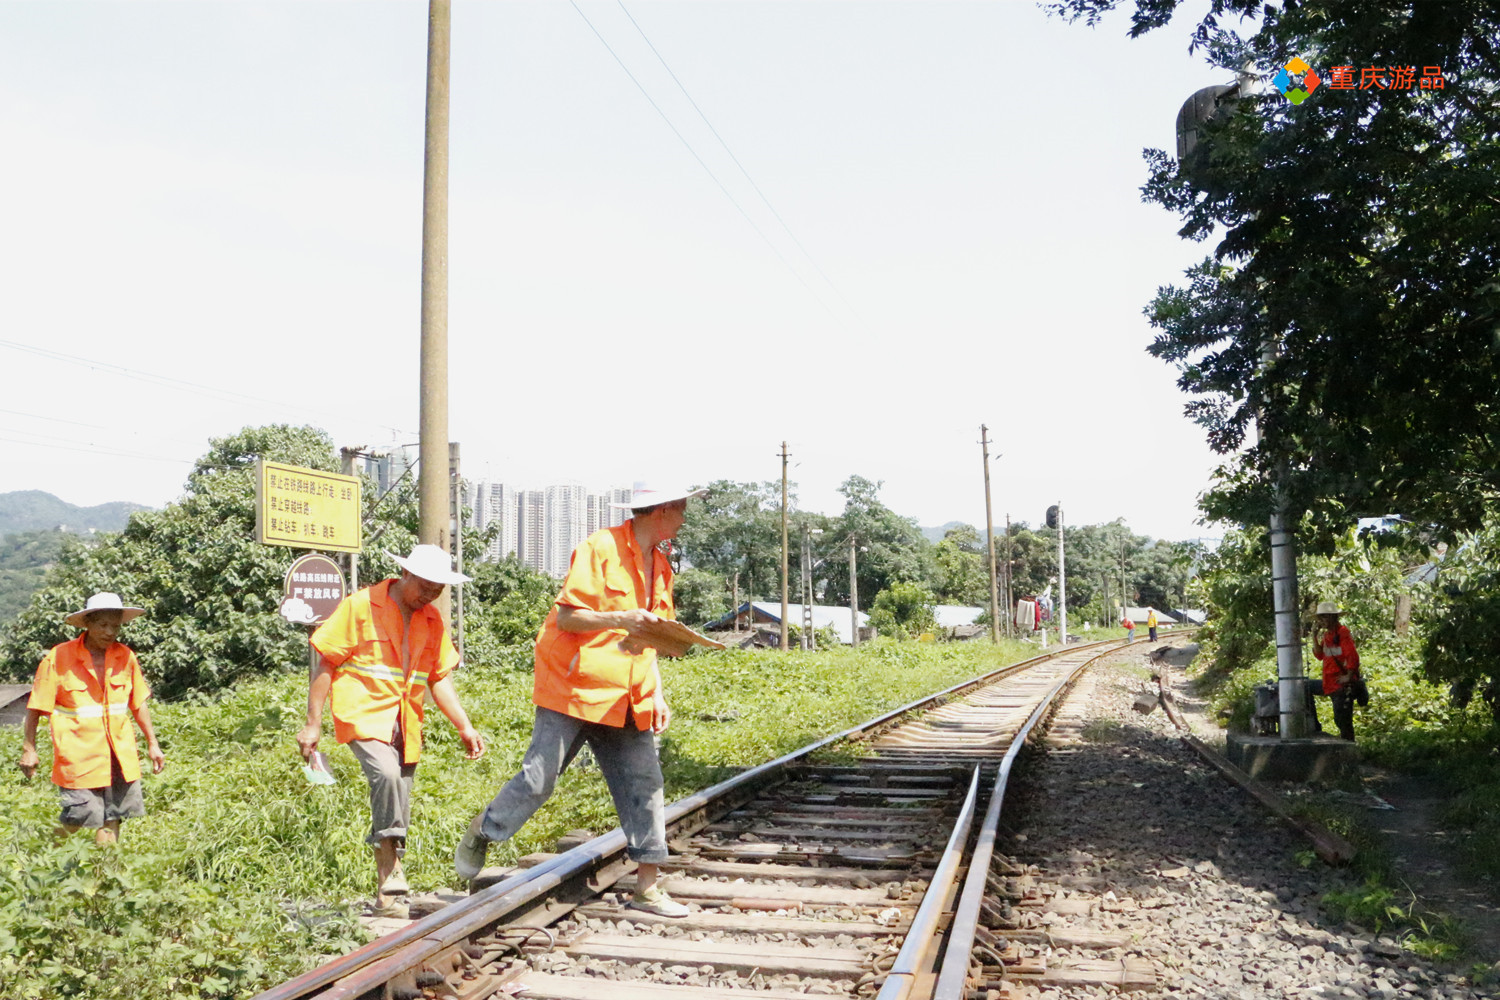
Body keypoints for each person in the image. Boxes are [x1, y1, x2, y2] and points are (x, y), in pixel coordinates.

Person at [454, 483, 706, 917]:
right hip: (573, 688)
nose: (684, 519)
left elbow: (650, 636)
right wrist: (618, 617)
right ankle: (485, 829)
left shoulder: (661, 567)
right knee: (539, 780)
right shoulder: (600, 547)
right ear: (662, 510)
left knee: (645, 785)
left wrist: (658, 691)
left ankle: (648, 887)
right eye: (681, 510)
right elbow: (568, 616)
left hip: (628, 693)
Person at [297, 544, 485, 918]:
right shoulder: (360, 606)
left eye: (438, 590)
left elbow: (439, 678)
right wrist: (312, 723)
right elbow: (325, 665)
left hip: (405, 719)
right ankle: (394, 871)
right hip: (362, 710)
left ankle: (387, 894)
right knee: (385, 775)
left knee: (401, 795)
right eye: (426, 586)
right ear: (406, 575)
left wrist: (464, 725)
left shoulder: (431, 620)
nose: (431, 595)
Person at [18, 592, 165, 845]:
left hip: (119, 754)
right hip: (78, 756)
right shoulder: (58, 658)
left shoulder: (126, 657)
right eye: (103, 625)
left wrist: (153, 743)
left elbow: (138, 703)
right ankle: (41, 854)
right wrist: (29, 749)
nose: (110, 632)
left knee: (113, 816)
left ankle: (104, 876)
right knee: (77, 816)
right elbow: (35, 706)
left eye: (115, 626)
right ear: (88, 623)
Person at [1309, 601, 1362, 741]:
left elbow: (1352, 656)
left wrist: (1349, 676)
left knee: (1342, 720)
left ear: (1333, 617)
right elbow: (1319, 655)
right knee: (1304, 687)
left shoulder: (1342, 632)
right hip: (1329, 683)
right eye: (1320, 618)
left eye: (1324, 617)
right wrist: (1314, 636)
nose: (1322, 621)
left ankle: (1349, 750)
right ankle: (1314, 728)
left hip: (1340, 684)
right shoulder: (1327, 636)